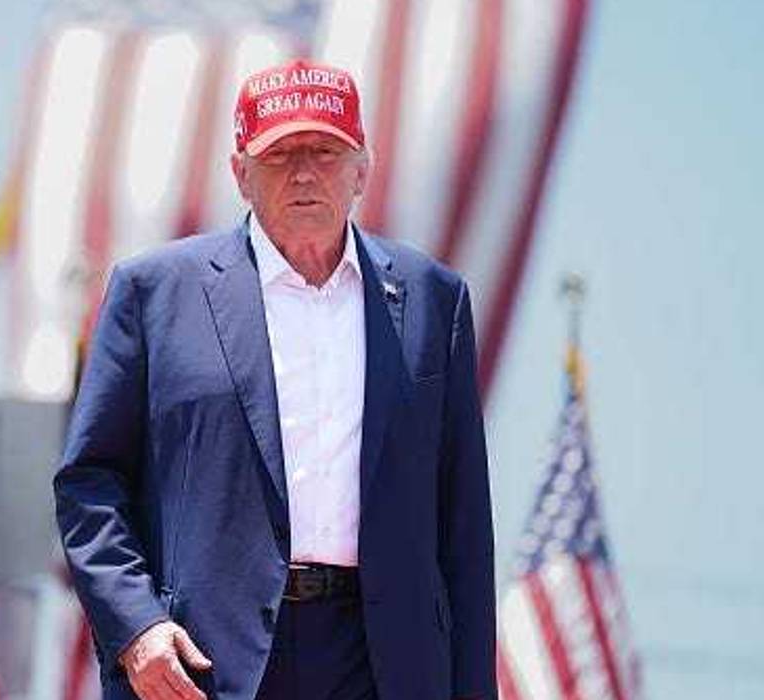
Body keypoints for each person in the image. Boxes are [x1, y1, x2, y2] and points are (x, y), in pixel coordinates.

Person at [55, 58, 496, 700]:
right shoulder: (154, 294)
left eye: (324, 150)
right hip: (206, 659)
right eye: (279, 154)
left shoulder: (434, 299)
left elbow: (462, 525)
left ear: (362, 170)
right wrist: (137, 628)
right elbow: (89, 485)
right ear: (240, 173)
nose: (304, 171)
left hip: (385, 663)